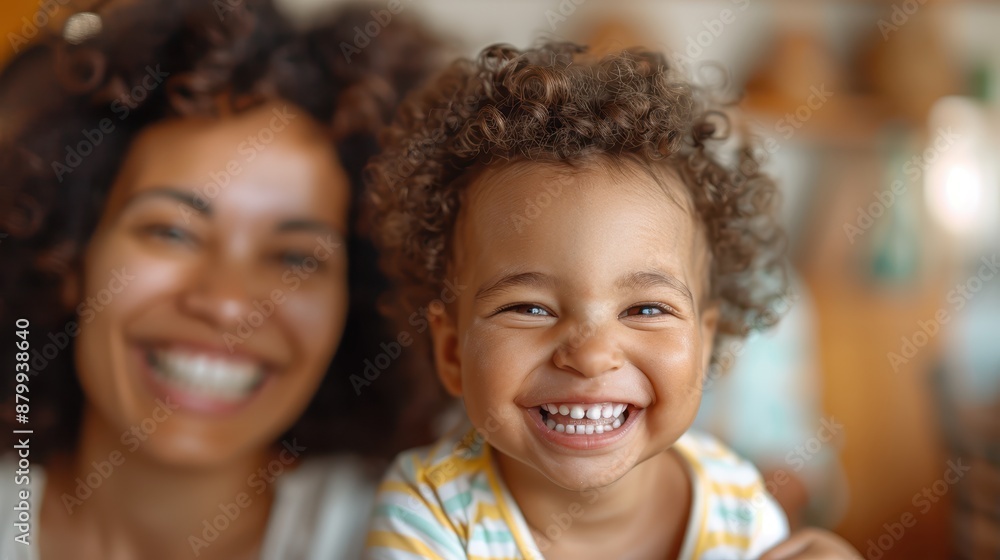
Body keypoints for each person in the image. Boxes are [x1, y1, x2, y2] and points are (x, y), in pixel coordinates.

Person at [363, 42, 861, 559]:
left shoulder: (737, 501)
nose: (592, 354)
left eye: (645, 310)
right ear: (451, 352)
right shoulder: (430, 510)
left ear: (705, 344)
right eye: (530, 308)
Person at [0, 1, 439, 558]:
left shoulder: (415, 538)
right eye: (173, 233)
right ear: (70, 258)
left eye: (296, 259)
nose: (229, 304)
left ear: (354, 304)